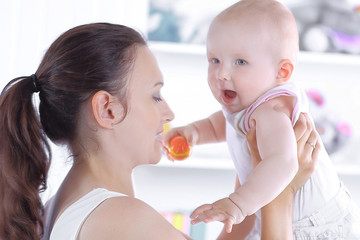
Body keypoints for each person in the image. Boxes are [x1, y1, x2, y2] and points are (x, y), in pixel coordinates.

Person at [0, 22, 320, 240]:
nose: (169, 112)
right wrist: (281, 199)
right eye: (155, 95)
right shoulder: (123, 218)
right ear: (107, 110)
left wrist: (254, 181)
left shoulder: (62, 206)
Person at [163, 0, 360, 238]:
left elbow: (283, 162)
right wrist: (194, 132)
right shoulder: (248, 108)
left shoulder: (271, 111)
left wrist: (237, 203)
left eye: (240, 62)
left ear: (282, 72)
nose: (222, 74)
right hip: (274, 212)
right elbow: (222, 124)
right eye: (214, 60)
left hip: (314, 225)